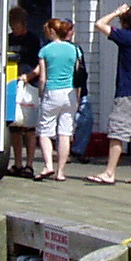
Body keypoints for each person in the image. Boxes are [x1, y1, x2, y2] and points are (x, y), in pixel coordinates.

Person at [90, 3, 131, 184]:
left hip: (127, 93)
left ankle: (110, 172)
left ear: (125, 23)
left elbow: (99, 24)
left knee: (117, 132)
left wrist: (115, 11)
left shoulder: (127, 37)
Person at [34, 18, 81, 180]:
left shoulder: (45, 51)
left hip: (52, 92)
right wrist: (79, 96)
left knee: (45, 131)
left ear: (53, 32)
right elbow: (78, 76)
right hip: (70, 93)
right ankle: (61, 172)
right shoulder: (75, 50)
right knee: (65, 133)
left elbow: (42, 77)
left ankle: (48, 165)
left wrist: (41, 93)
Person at [6, 7, 41, 176]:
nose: (14, 29)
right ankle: (17, 162)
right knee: (14, 125)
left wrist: (31, 76)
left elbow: (40, 63)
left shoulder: (33, 40)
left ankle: (30, 164)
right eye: (12, 26)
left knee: (29, 126)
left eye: (17, 25)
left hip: (30, 84)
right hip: (13, 82)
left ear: (23, 23)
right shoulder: (8, 39)